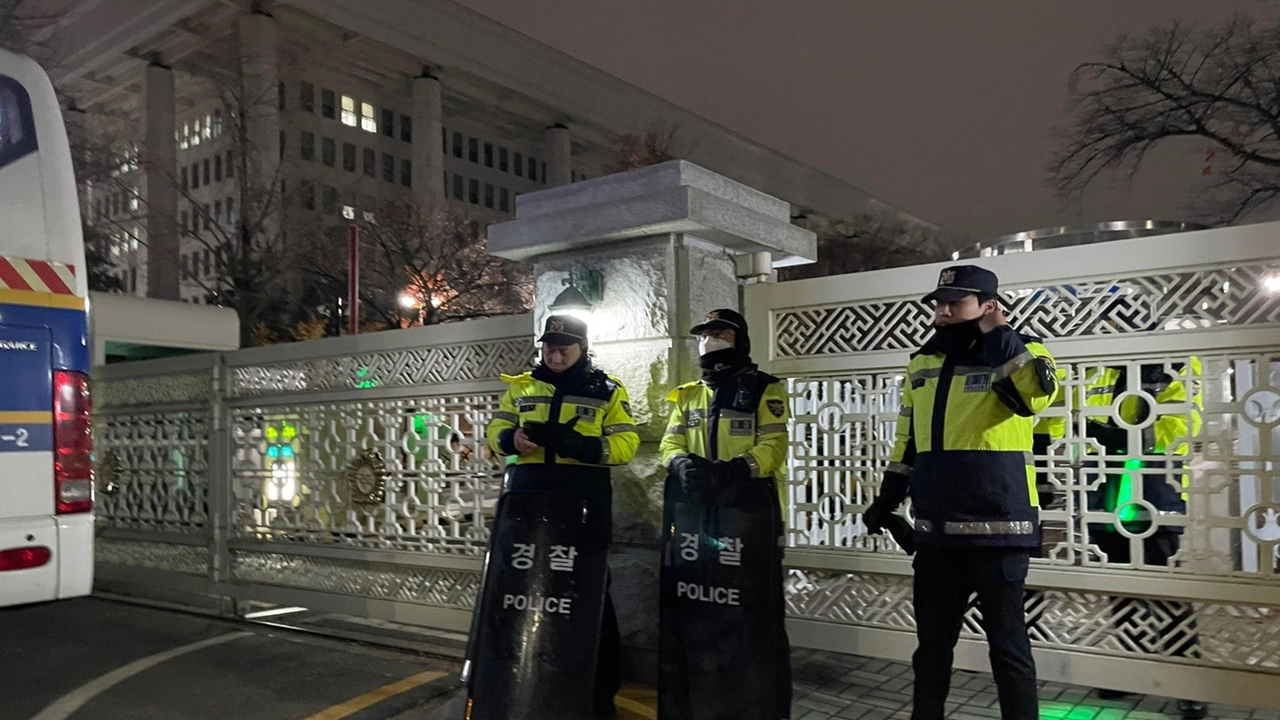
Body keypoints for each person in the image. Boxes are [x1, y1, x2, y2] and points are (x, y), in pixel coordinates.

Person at [862, 265, 1057, 720]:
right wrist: (887, 499)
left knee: (1008, 651)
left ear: (989, 305)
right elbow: (907, 440)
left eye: (957, 301)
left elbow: (1034, 396)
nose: (944, 310)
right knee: (930, 651)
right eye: (940, 301)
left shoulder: (1024, 352)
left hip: (1000, 531)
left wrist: (999, 333)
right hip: (937, 532)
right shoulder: (923, 362)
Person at [485, 314, 640, 720]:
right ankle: (517, 683)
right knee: (520, 594)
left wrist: (583, 446)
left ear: (582, 349)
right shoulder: (522, 386)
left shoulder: (607, 390)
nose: (553, 356)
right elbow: (496, 429)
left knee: (587, 600)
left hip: (581, 514)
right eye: (548, 348)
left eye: (563, 349)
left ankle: (595, 696)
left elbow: (626, 443)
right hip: (527, 509)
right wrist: (510, 439)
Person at [659, 308, 793, 719]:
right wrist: (681, 464)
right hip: (698, 520)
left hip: (748, 519)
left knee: (752, 614)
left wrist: (732, 471)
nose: (711, 339)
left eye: (720, 332)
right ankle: (702, 694)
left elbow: (773, 449)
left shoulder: (764, 389)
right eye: (705, 333)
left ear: (740, 339)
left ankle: (755, 702)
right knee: (701, 608)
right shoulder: (687, 394)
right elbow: (669, 443)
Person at [1082, 359, 1206, 720]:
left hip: (1153, 498)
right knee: (1122, 593)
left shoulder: (1174, 366)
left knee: (1167, 595)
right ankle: (1130, 671)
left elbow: (1182, 425)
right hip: (1106, 500)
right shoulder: (1100, 369)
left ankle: (1190, 684)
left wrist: (1119, 435)